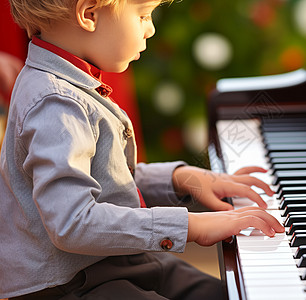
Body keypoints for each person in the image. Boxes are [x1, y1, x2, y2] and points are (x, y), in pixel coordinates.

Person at [0, 0, 285, 298]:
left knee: (219, 293)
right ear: (89, 14)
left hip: (108, 260)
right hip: (69, 283)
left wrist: (183, 179)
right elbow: (72, 222)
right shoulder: (55, 103)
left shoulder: (70, 84)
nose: (150, 29)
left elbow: (101, 177)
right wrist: (192, 225)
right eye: (143, 16)